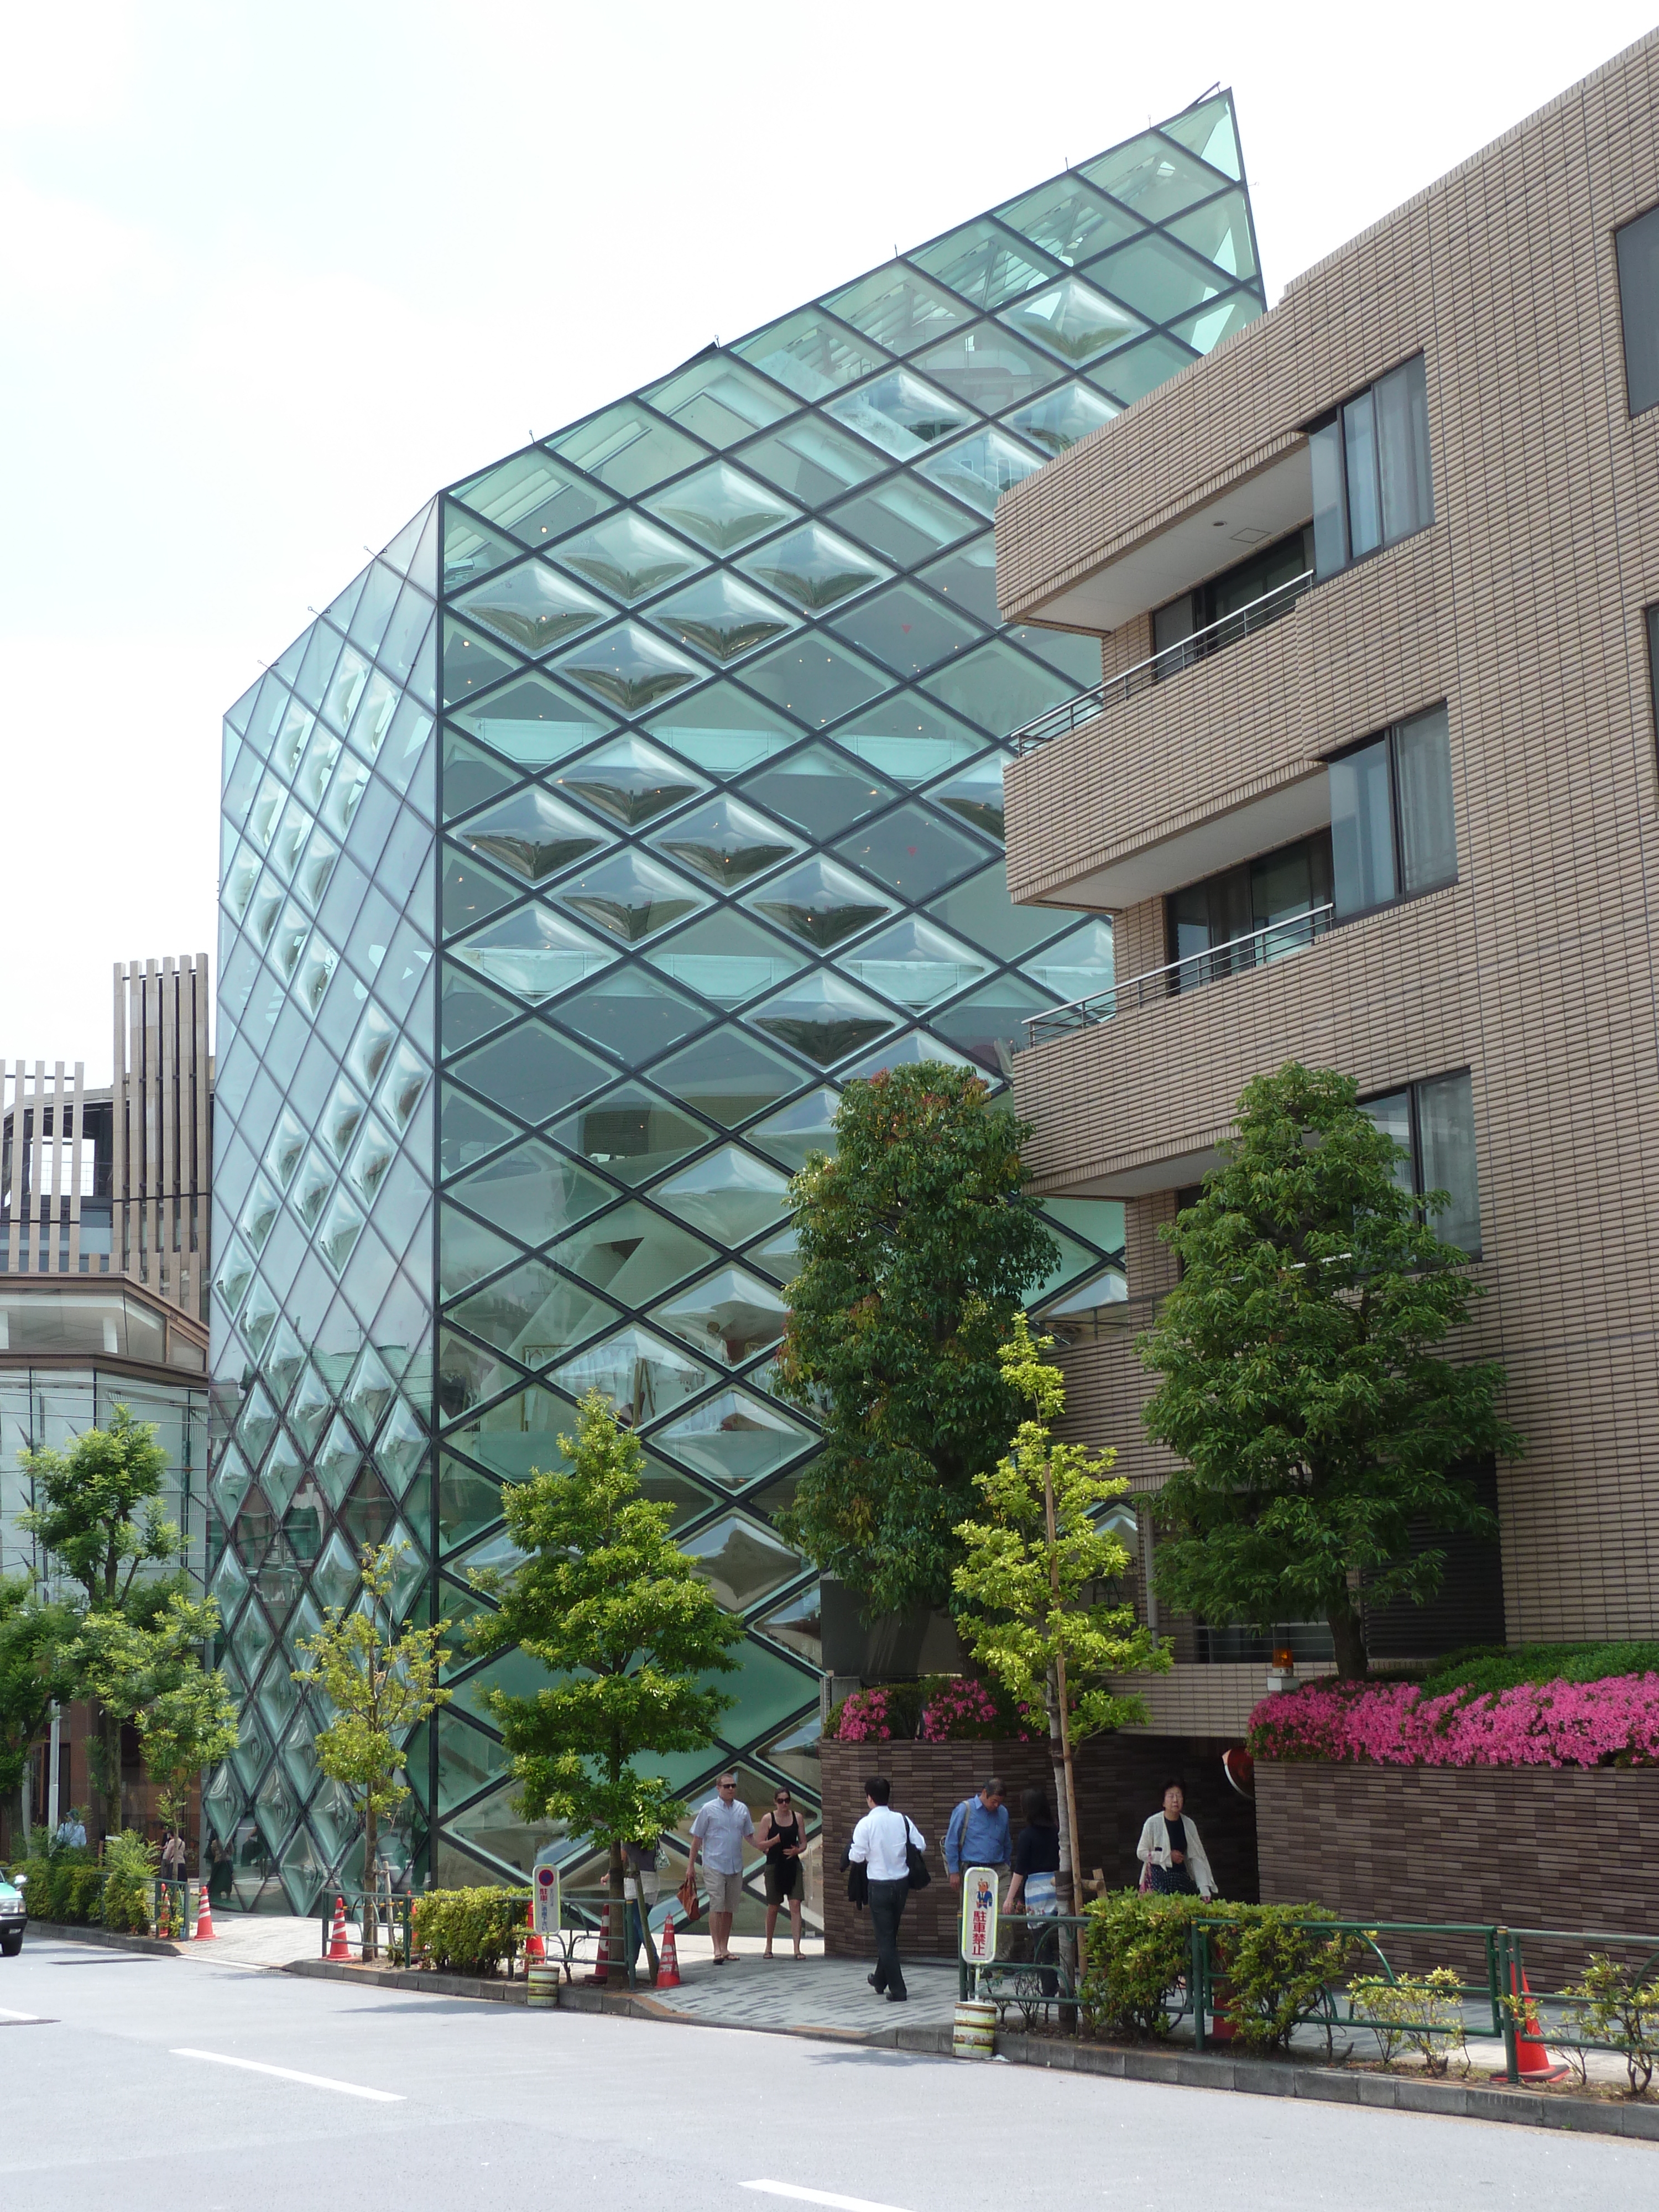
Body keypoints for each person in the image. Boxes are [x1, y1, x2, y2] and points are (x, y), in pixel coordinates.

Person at [847, 1776, 924, 2004]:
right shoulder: (902, 1820)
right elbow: (921, 1845)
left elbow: (857, 1856)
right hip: (901, 1884)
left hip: (879, 1885)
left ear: (869, 1798)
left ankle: (899, 1990)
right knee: (890, 1935)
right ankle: (880, 1980)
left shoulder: (866, 1824)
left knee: (885, 1939)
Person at [688, 1772, 754, 1965]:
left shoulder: (742, 1809)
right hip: (714, 1863)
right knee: (717, 1904)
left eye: (733, 1786)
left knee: (729, 1908)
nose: (731, 1789)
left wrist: (765, 1848)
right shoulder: (708, 1809)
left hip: (735, 1864)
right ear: (718, 1788)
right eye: (727, 1786)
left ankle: (725, 1947)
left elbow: (749, 1835)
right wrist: (690, 1866)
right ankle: (716, 1948)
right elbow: (697, 1839)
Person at [1005, 1785, 1061, 1997]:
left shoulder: (1027, 1835)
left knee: (1041, 1940)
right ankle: (1061, 1980)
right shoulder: (1056, 1831)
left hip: (1036, 1890)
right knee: (1061, 1936)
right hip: (1057, 1885)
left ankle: (1049, 1985)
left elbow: (1021, 1870)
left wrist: (1010, 1898)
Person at [1136, 1780, 1217, 1898]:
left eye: (1179, 1796)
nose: (1175, 1800)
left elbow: (1197, 1857)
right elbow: (1141, 1853)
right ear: (1163, 1801)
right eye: (1171, 1796)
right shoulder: (1152, 1823)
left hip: (1180, 1878)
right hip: (1156, 1880)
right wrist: (1168, 1856)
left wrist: (1204, 1889)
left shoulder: (1189, 1824)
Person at [755, 1787, 806, 1959]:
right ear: (775, 1802)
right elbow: (760, 1844)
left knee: (795, 1904)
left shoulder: (797, 1817)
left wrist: (797, 1851)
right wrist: (775, 1841)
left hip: (792, 1864)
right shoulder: (768, 1819)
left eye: (787, 1800)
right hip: (774, 1865)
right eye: (781, 1801)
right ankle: (769, 1945)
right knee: (773, 1906)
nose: (784, 1804)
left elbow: (804, 1843)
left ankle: (797, 1948)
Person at [943, 1776, 1010, 1888]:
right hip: (972, 1869)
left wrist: (1007, 1865)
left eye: (1000, 1802)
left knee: (1004, 1905)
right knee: (973, 1905)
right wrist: (954, 1871)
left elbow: (1007, 1842)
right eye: (994, 1801)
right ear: (984, 1793)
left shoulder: (1003, 1812)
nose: (996, 1805)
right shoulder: (965, 1809)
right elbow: (951, 1842)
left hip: (999, 1869)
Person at [624, 1833, 661, 1980]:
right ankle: (630, 1963)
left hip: (635, 1883)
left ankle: (655, 1959)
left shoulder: (628, 1836)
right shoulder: (653, 1834)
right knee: (636, 1924)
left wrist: (609, 1876)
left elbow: (622, 1859)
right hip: (653, 1883)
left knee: (639, 1924)